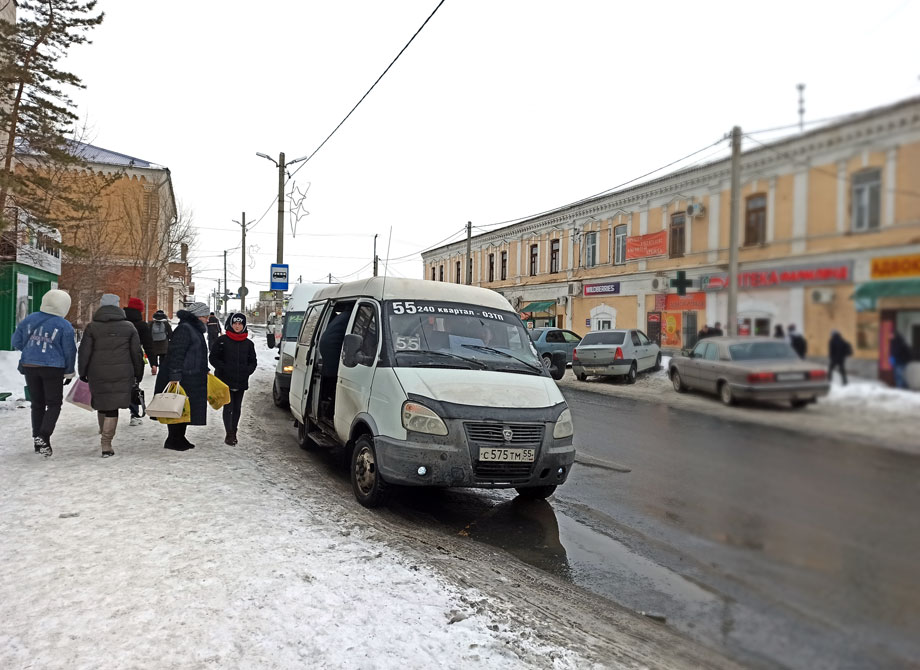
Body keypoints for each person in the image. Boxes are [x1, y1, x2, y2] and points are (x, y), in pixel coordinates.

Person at [11, 288, 77, 457]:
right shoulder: (64, 325)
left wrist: (33, 351)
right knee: (54, 403)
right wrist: (69, 372)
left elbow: (16, 341)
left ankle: (38, 442)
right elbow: (70, 351)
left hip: (30, 366)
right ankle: (44, 435)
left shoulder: (29, 319)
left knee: (37, 403)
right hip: (53, 368)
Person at [78, 294, 144, 458]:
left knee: (103, 403)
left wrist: (83, 372)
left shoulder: (92, 327)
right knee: (113, 407)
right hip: (123, 372)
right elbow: (136, 353)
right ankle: (106, 444)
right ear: (117, 307)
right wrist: (138, 373)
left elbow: (84, 352)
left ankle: (103, 432)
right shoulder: (129, 327)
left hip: (97, 371)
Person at [155, 301, 211, 451]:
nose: (207, 319)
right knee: (176, 407)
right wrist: (175, 374)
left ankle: (180, 437)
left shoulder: (193, 329)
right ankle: (173, 439)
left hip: (191, 375)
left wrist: (203, 367)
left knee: (185, 409)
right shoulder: (185, 329)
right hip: (183, 375)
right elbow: (177, 353)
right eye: (205, 316)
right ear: (198, 316)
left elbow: (196, 353)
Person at [209, 312, 257, 445]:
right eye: (235, 323)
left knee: (237, 408)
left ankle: (234, 431)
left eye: (240, 323)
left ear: (244, 325)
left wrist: (247, 371)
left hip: (241, 380)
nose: (237, 326)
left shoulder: (248, 344)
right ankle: (229, 434)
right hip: (225, 381)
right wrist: (223, 368)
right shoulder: (222, 341)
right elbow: (213, 358)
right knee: (228, 407)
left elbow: (253, 361)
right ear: (231, 324)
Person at [124, 297, 155, 425]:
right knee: (134, 386)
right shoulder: (142, 325)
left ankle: (107, 416)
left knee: (113, 386)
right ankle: (134, 414)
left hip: (116, 358)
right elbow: (148, 345)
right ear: (141, 310)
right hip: (134, 360)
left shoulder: (120, 322)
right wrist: (154, 363)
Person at [318, 307, 352, 420]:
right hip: (333, 347)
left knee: (331, 378)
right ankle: (330, 413)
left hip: (328, 347)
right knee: (338, 382)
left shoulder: (343, 315)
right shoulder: (353, 316)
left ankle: (325, 405)